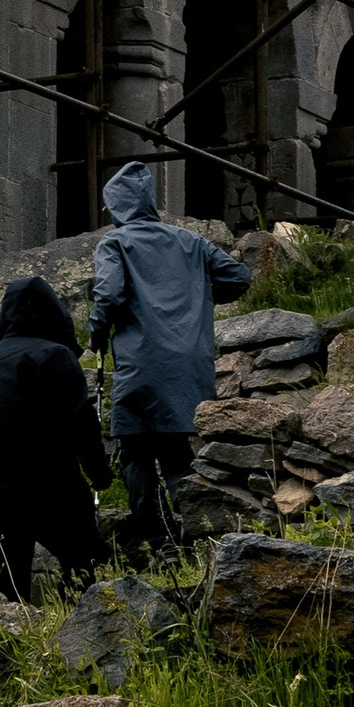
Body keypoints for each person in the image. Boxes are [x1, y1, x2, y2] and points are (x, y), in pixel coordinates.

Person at [88, 158, 254, 558]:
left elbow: (108, 295)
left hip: (142, 365)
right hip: (190, 366)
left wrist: (95, 334)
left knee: (135, 453)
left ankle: (162, 542)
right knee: (178, 452)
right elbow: (239, 276)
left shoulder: (116, 243)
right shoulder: (191, 242)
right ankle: (199, 535)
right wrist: (199, 296)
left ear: (118, 207)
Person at [0, 272, 114, 600]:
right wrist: (100, 474)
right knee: (82, 559)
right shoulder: (55, 355)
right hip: (43, 486)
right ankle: (84, 615)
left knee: (5, 594)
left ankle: (16, 643)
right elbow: (81, 423)